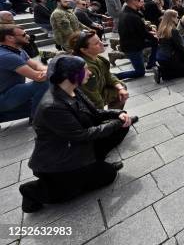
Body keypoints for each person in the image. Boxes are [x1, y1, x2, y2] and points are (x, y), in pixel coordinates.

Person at [18, 55, 136, 213]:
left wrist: (118, 114)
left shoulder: (73, 90)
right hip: (60, 159)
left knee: (122, 127)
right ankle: (32, 191)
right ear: (70, 75)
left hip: (77, 145)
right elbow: (82, 135)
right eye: (85, 70)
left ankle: (95, 165)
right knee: (106, 176)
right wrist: (117, 123)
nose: (89, 73)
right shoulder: (52, 106)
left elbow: (95, 113)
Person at [0, 24, 49, 123]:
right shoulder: (6, 56)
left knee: (50, 106)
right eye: (23, 35)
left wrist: (49, 69)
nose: (28, 36)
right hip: (4, 96)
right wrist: (58, 69)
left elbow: (36, 66)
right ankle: (38, 120)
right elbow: (38, 77)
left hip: (12, 92)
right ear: (10, 38)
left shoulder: (18, 50)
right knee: (45, 83)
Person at [70, 31, 129, 109]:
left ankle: (117, 117)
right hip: (85, 103)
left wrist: (120, 88)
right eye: (96, 43)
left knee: (121, 87)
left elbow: (108, 76)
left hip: (99, 91)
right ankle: (112, 118)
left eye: (99, 40)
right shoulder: (87, 69)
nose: (102, 44)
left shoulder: (97, 59)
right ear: (84, 50)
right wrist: (102, 116)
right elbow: (94, 100)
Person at [116, 0, 158, 80]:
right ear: (133, 2)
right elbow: (143, 33)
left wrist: (151, 33)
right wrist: (155, 37)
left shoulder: (126, 12)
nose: (141, 2)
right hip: (132, 46)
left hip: (133, 42)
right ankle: (113, 77)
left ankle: (151, 64)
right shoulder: (132, 16)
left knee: (155, 43)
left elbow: (138, 29)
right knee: (140, 72)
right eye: (139, 0)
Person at [154, 10, 184, 83]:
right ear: (172, 18)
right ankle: (162, 72)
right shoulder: (173, 30)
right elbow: (179, 46)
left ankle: (165, 69)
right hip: (168, 57)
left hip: (161, 57)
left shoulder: (162, 28)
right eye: (176, 17)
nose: (178, 19)